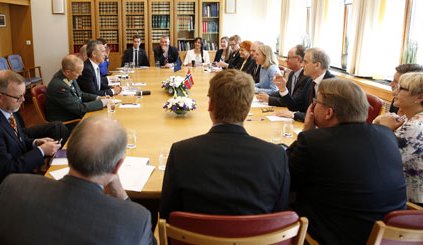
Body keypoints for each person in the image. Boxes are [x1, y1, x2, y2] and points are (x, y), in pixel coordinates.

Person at [0, 117, 156, 245]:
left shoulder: (12, 187)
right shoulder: (135, 219)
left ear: (68, 154)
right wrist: (121, 194)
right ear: (117, 167)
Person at [287, 78, 407, 244]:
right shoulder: (386, 134)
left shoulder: (314, 140)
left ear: (328, 112)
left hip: (339, 236)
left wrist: (306, 130)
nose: (313, 106)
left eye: (316, 102)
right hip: (391, 237)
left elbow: (286, 181)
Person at [160, 69, 290, 220]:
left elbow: (166, 215)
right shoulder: (276, 156)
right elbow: (280, 215)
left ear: (210, 105)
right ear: (248, 108)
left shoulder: (181, 153)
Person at [0, 70, 61, 192]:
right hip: (3, 189)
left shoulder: (8, 112)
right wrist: (41, 151)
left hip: (20, 177)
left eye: (23, 94)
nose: (24, 100)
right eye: (18, 97)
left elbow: (19, 140)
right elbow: (8, 171)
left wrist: (35, 143)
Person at [374, 72, 423, 207]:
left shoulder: (415, 126)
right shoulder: (410, 118)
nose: (394, 92)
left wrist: (382, 127)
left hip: (413, 203)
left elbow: (381, 160)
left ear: (419, 97)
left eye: (401, 89)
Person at [46, 55, 109, 129]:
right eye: (78, 72)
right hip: (65, 123)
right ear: (68, 72)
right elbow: (78, 109)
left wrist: (98, 98)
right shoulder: (60, 86)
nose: (81, 74)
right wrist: (102, 103)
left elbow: (80, 94)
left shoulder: (68, 76)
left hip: (73, 114)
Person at [276, 47, 335, 122]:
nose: (302, 65)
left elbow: (322, 117)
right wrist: (283, 89)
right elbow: (295, 106)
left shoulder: (332, 85)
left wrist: (294, 115)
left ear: (317, 65)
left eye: (305, 62)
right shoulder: (309, 81)